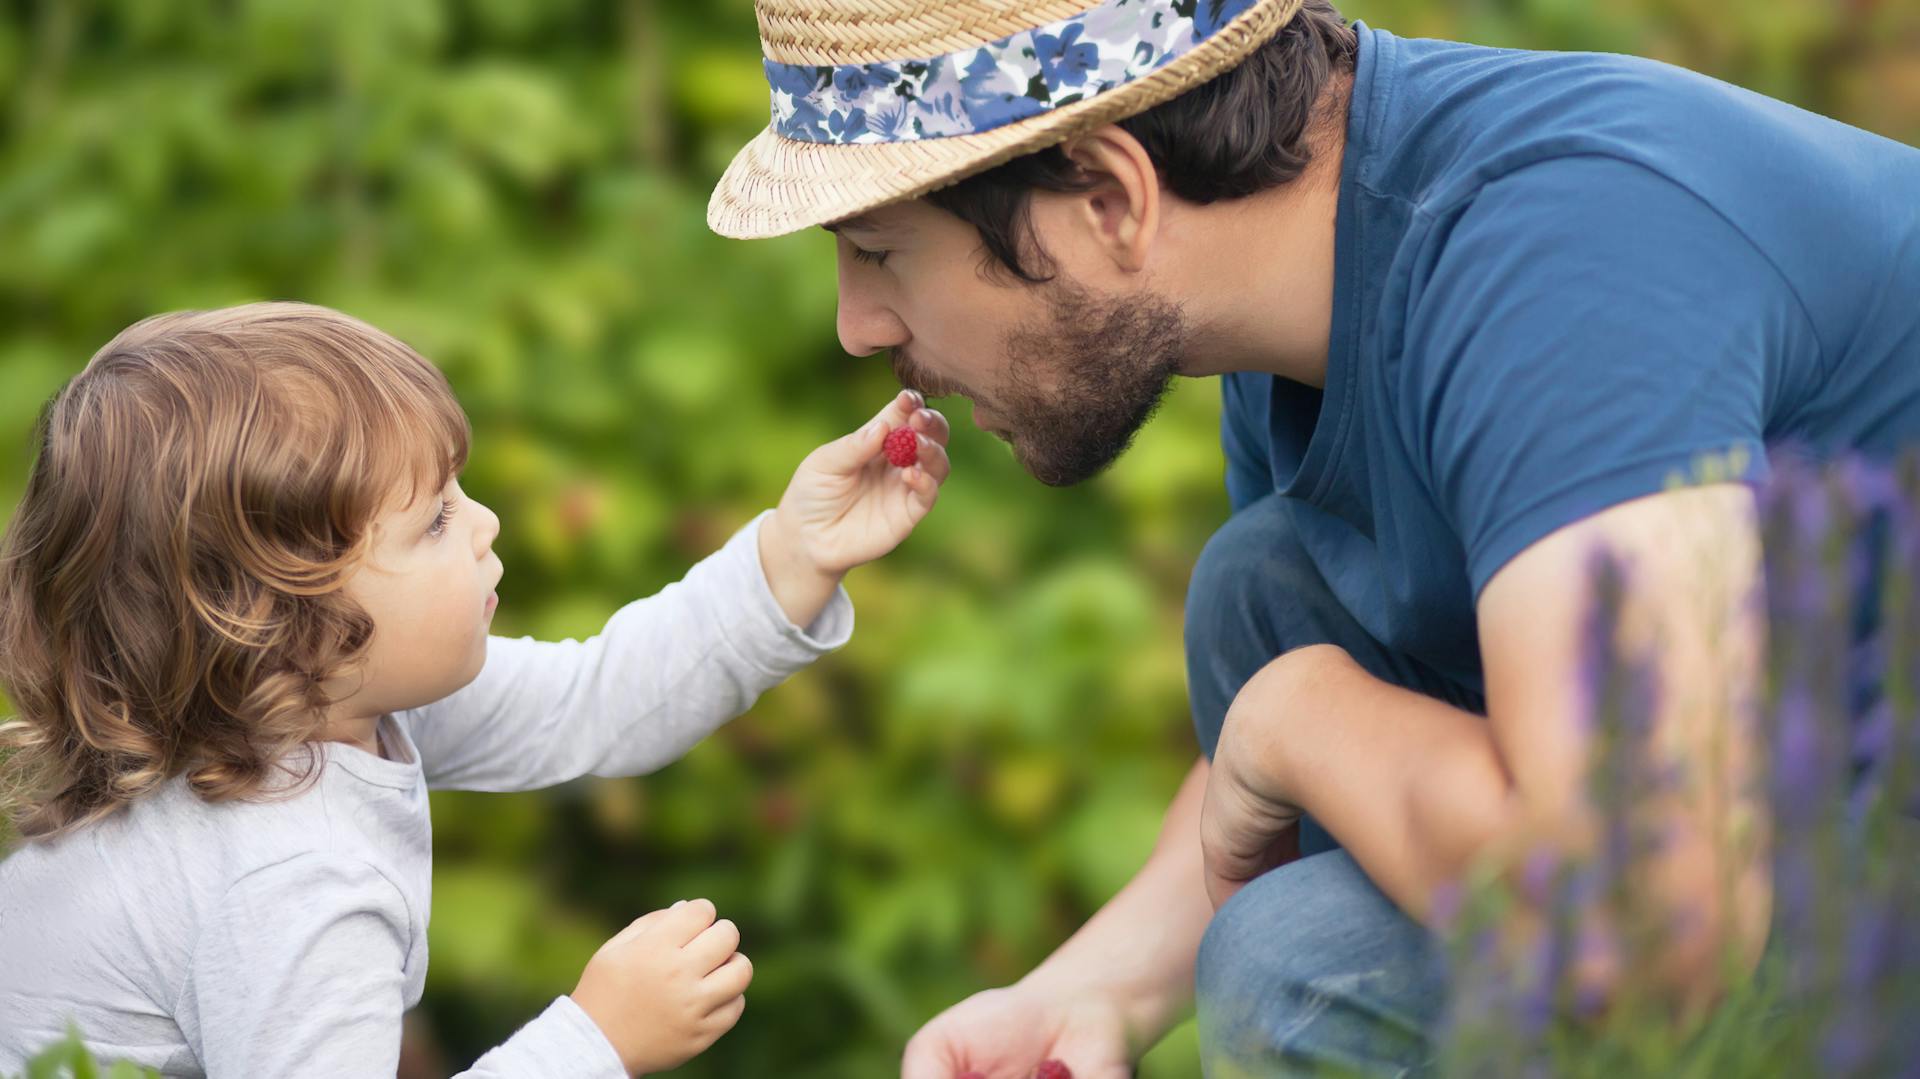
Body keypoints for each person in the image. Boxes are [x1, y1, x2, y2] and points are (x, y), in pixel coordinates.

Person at [708, 0, 1920, 1074]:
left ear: (1111, 196)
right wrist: (1093, 991)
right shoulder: (1297, 286)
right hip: (1788, 802)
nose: (858, 323)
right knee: (1267, 584)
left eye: (879, 251)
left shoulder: (1553, 261)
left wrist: (1293, 715)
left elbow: (1645, 930)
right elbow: (1299, 747)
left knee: (1298, 967)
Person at [0, 302, 953, 1076]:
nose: (486, 522)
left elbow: (596, 701)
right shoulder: (291, 881)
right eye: (434, 520)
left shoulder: (324, 706)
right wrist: (596, 1040)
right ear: (283, 627)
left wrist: (792, 556)